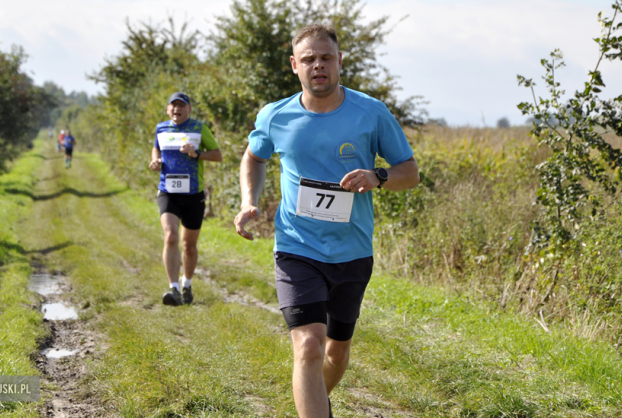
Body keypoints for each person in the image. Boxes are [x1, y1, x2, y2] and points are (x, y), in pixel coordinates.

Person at [233, 24, 419, 417]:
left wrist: (378, 176)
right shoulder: (275, 116)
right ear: (294, 66)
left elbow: (410, 173)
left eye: (326, 57)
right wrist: (249, 201)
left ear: (339, 61)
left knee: (336, 351)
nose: (318, 65)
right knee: (309, 346)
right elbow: (254, 156)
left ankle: (312, 400)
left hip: (352, 253)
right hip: (296, 248)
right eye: (309, 59)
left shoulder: (371, 112)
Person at [148, 92, 222, 306]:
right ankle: (173, 288)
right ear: (167, 109)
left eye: (181, 106)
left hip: (193, 195)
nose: (177, 109)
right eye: (173, 106)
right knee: (170, 236)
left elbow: (217, 155)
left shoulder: (199, 129)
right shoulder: (161, 128)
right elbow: (156, 147)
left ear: (189, 109)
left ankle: (187, 284)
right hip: (168, 192)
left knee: (188, 245)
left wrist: (197, 154)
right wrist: (155, 160)